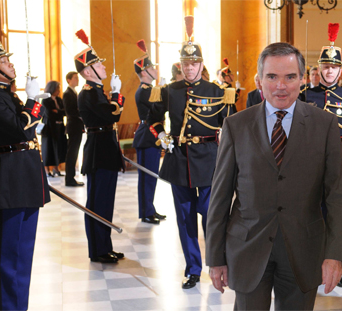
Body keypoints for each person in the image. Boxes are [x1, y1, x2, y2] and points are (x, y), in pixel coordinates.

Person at [206, 42, 342, 311]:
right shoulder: (236, 126)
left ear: (304, 79)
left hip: (304, 250)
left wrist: (335, 255)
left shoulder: (325, 125)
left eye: (290, 77)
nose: (280, 86)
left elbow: (339, 197)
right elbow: (220, 197)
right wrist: (215, 257)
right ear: (259, 80)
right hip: (248, 247)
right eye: (272, 76)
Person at [146, 16, 237, 289]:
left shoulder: (217, 91)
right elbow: (152, 120)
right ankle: (193, 269)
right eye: (185, 64)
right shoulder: (168, 91)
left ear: (201, 64)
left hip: (209, 160)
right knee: (185, 219)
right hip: (179, 160)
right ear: (181, 65)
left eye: (194, 63)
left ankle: (217, 264)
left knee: (210, 215)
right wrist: (161, 135)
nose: (189, 68)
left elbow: (229, 126)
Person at [0, 12, 50, 310]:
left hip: (24, 174)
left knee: (22, 253)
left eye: (8, 60)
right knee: (8, 255)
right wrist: (32, 103)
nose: (11, 64)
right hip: (10, 177)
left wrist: (30, 103)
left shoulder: (5, 93)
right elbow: (19, 128)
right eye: (3, 62)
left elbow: (27, 126)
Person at [298, 23, 342, 288]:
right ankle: (313, 263)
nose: (329, 71)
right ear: (319, 68)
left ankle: (340, 266)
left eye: (334, 67)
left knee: (339, 219)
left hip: (341, 166)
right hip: (309, 167)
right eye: (325, 66)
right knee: (310, 216)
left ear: (340, 69)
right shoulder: (304, 96)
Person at [74, 29, 125, 264]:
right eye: (99, 66)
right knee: (97, 203)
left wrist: (113, 93)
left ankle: (105, 246)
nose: (105, 68)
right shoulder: (88, 94)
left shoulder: (96, 92)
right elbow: (111, 115)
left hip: (106, 149)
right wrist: (117, 93)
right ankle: (97, 250)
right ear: (88, 71)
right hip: (98, 152)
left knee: (106, 202)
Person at [132, 39, 166, 224]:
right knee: (147, 176)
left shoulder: (150, 89)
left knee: (152, 176)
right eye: (152, 67)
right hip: (147, 136)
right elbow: (156, 111)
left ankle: (150, 209)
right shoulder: (145, 90)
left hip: (151, 135)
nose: (155, 70)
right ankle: (146, 211)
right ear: (144, 71)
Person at [40, 81, 67, 177]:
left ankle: (56, 168)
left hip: (59, 127)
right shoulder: (45, 100)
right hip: (49, 128)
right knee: (48, 148)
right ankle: (47, 170)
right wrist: (57, 112)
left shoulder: (59, 100)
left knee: (59, 147)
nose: (58, 91)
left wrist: (57, 111)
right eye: (57, 88)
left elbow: (64, 112)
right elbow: (49, 114)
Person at [63, 71, 85, 186]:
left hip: (77, 125)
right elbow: (70, 111)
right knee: (72, 153)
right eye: (75, 78)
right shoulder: (67, 93)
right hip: (73, 126)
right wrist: (81, 115)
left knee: (74, 152)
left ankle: (71, 177)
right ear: (69, 80)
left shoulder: (74, 92)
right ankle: (69, 179)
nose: (77, 80)